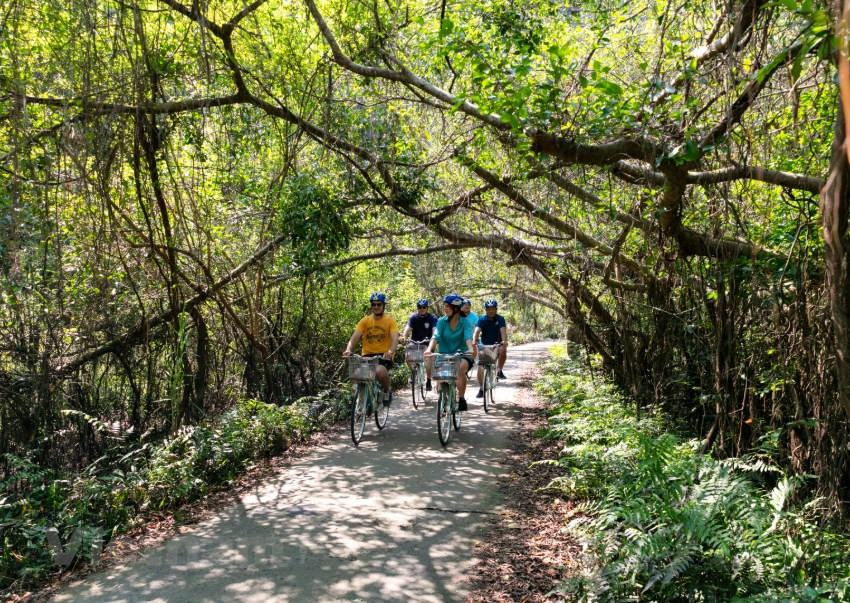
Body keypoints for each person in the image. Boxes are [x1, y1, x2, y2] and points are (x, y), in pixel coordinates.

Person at [343, 292, 399, 405]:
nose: (376, 307)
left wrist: (390, 352)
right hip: (367, 356)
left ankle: (387, 390)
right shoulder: (365, 321)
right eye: (374, 304)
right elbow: (355, 337)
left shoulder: (390, 321)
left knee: (380, 372)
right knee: (356, 373)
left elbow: (395, 338)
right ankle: (359, 400)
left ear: (384, 306)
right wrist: (348, 349)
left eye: (379, 304)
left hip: (383, 356)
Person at [425, 294, 474, 411]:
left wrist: (470, 348)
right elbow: (436, 336)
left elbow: (467, 336)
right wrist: (429, 349)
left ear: (456, 308)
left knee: (460, 369)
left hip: (462, 355)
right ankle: (444, 399)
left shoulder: (465, 322)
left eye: (447, 306)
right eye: (444, 306)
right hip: (444, 355)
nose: (445, 309)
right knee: (440, 378)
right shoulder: (441, 321)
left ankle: (461, 398)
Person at [473, 299, 508, 397]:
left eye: (493, 309)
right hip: (484, 345)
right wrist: (474, 340)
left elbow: (503, 331)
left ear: (496, 310)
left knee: (503, 349)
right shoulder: (482, 319)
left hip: (497, 344)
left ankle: (499, 370)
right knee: (480, 367)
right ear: (486, 310)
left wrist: (504, 341)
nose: (491, 311)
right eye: (489, 309)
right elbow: (476, 331)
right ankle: (481, 388)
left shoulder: (500, 319)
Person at [401, 298, 437, 391]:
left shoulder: (432, 317)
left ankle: (428, 380)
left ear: (427, 308)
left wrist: (434, 338)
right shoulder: (413, 317)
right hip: (415, 342)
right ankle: (413, 372)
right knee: (407, 355)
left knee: (428, 359)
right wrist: (404, 336)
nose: (422, 309)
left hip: (428, 342)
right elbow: (408, 328)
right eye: (419, 307)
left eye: (424, 307)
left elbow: (434, 330)